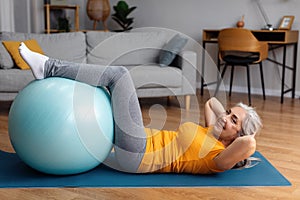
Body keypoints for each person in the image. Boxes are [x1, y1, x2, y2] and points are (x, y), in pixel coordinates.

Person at [19, 42, 262, 174]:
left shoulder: (217, 159)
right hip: (138, 141)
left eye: (234, 121)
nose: (226, 117)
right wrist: (225, 120)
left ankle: (49, 67)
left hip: (138, 155)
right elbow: (211, 102)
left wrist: (242, 129)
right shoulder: (211, 131)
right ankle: (52, 71)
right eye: (229, 113)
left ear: (237, 136)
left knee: (119, 76)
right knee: (104, 89)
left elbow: (248, 144)